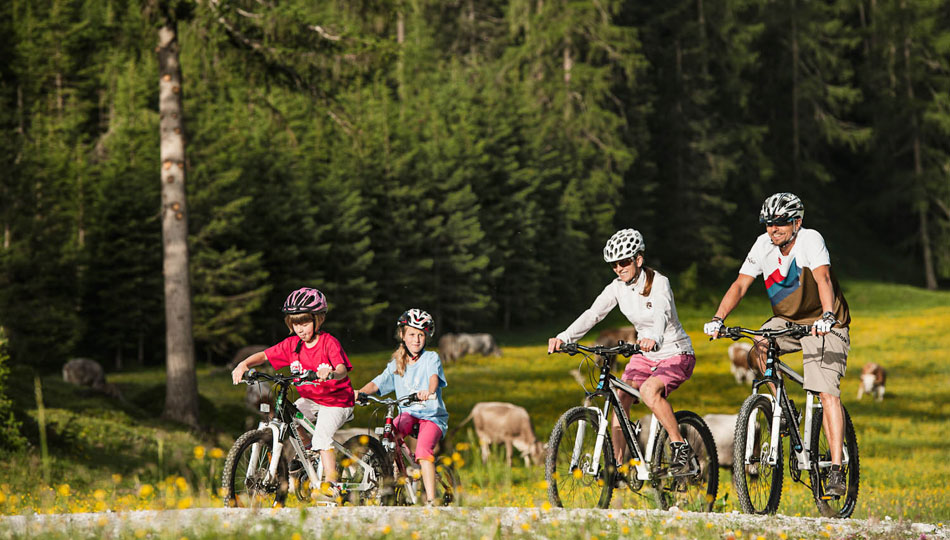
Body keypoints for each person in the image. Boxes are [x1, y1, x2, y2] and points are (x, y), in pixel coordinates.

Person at [703, 192, 851, 496]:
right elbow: (741, 284)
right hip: (786, 321)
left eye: (781, 223)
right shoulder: (762, 245)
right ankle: (783, 407)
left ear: (797, 222)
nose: (774, 229)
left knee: (826, 393)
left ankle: (836, 469)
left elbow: (823, 279)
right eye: (769, 223)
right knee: (757, 348)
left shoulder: (811, 240)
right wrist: (718, 318)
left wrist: (827, 316)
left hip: (825, 322)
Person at [547, 228, 698, 479]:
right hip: (644, 353)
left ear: (638, 260)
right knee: (620, 397)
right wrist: (565, 337)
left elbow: (660, 312)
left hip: (675, 352)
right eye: (614, 264)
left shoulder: (659, 282)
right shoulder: (616, 287)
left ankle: (679, 446)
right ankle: (616, 467)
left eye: (624, 262)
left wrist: (655, 338)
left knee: (649, 391)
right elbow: (593, 314)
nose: (619, 268)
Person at [231, 287, 355, 500]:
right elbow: (264, 355)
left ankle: (332, 484)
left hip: (337, 401)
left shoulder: (328, 343)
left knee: (322, 436)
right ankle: (309, 451)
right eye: (295, 323)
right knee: (290, 418)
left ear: (319, 319)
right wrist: (243, 364)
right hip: (311, 399)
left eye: (305, 322)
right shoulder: (292, 345)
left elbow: (342, 369)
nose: (300, 328)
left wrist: (331, 372)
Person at [355, 309, 448, 505]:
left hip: (432, 416)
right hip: (408, 413)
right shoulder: (397, 362)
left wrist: (428, 392)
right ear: (402, 335)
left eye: (421, 335)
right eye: (412, 334)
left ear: (427, 337)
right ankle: (394, 477)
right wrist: (359, 392)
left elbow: (433, 378)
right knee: (389, 434)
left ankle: (431, 501)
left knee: (423, 451)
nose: (416, 340)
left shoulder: (431, 358)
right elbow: (378, 383)